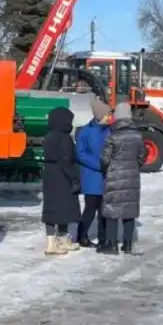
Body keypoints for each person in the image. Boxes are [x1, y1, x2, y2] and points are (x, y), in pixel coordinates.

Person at [100, 102, 145, 254]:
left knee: (112, 210)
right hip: (132, 175)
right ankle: (127, 244)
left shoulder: (113, 136)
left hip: (114, 175)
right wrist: (134, 166)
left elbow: (105, 159)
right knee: (129, 210)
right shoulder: (138, 136)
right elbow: (142, 157)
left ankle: (111, 244)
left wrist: (108, 168)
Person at [41, 106, 82, 256]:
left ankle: (53, 241)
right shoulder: (65, 138)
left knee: (52, 209)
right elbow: (66, 161)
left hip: (50, 176)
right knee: (65, 208)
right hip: (62, 177)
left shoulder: (49, 136)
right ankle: (60, 241)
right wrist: (75, 178)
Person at [75, 99, 112, 248]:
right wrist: (99, 165)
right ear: (100, 115)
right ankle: (82, 236)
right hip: (92, 176)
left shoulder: (110, 130)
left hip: (106, 176)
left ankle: (103, 238)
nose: (110, 116)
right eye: (108, 114)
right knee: (90, 209)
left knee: (104, 211)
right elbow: (81, 154)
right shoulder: (85, 131)